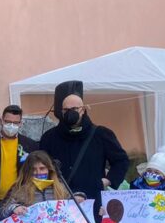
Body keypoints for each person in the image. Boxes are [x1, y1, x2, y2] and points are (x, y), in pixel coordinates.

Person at [38, 80, 130, 213]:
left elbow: (121, 160)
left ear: (83, 109)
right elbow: (41, 166)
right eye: (66, 110)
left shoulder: (101, 134)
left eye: (74, 109)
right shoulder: (49, 137)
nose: (70, 112)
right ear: (61, 111)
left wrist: (108, 181)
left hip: (91, 201)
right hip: (60, 201)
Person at [0, 104, 39, 200]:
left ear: (21, 123)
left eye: (15, 123)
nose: (11, 126)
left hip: (20, 198)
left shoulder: (31, 145)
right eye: (8, 122)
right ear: (1, 121)